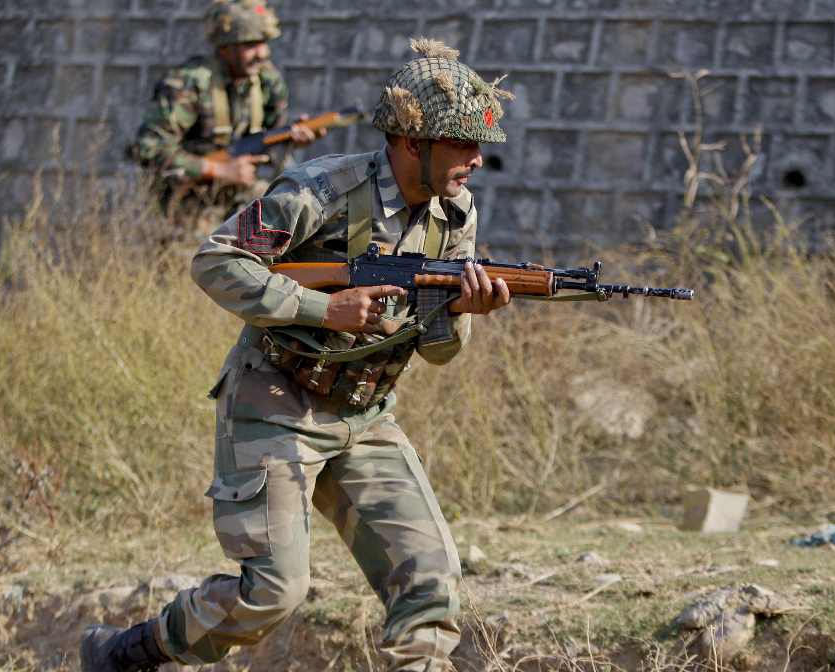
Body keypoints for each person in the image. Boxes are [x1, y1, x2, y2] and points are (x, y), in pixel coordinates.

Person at [82, 38, 514, 672]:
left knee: (430, 582)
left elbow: (438, 349)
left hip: (365, 416)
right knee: (273, 593)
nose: (477, 160)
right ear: (409, 143)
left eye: (480, 146)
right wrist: (323, 309)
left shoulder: (455, 214)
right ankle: (127, 652)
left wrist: (458, 314)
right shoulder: (320, 190)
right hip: (275, 402)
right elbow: (216, 260)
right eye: (461, 144)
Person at [132, 0, 324, 240]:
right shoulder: (189, 84)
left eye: (264, 43)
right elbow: (149, 149)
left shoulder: (266, 81)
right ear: (225, 48)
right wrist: (220, 170)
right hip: (189, 203)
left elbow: (271, 141)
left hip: (243, 197)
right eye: (251, 45)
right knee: (192, 267)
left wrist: (292, 139)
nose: (262, 53)